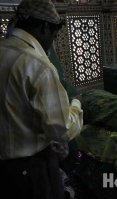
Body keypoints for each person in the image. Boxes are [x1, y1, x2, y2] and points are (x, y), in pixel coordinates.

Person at [0, 0, 83, 199]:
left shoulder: (3, 50)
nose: (51, 44)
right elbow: (60, 129)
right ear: (44, 27)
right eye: (53, 37)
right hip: (30, 170)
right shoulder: (37, 64)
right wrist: (77, 104)